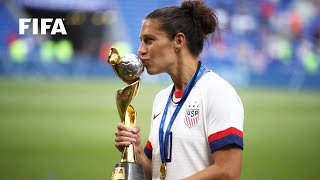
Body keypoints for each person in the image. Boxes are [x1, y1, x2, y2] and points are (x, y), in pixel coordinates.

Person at [114, 1, 244, 179]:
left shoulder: (217, 92)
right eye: (141, 41)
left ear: (178, 41)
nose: (140, 50)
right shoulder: (161, 98)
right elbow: (154, 173)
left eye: (149, 40)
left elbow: (228, 171)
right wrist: (136, 151)